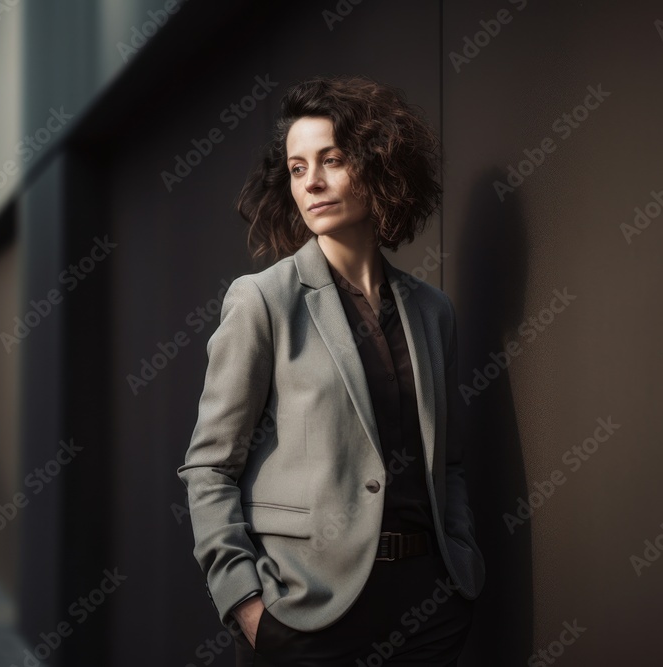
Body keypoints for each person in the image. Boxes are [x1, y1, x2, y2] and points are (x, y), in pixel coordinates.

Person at [177, 75, 485, 666]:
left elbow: (448, 462)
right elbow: (210, 467)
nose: (312, 182)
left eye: (333, 160)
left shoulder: (432, 311)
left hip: (429, 608)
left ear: (380, 167)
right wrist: (245, 604)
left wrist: (459, 565)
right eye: (297, 168)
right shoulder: (263, 300)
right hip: (308, 614)